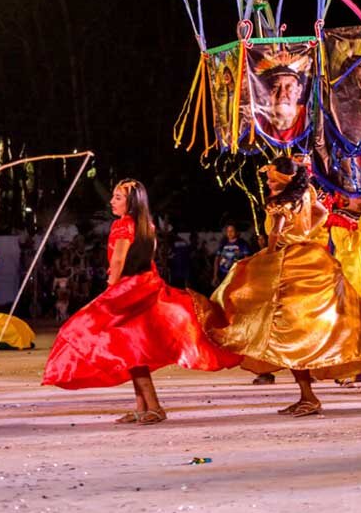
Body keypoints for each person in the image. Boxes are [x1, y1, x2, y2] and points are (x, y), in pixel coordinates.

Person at [198, 157, 361, 416]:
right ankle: (306, 395)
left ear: (285, 180)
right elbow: (323, 213)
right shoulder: (306, 193)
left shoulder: (280, 203)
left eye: (272, 180)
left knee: (246, 300)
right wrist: (303, 233)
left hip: (287, 263)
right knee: (296, 332)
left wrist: (272, 252)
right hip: (309, 258)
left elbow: (275, 234)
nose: (269, 184)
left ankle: (308, 396)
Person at [42, 180, 241, 424]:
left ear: (131, 202)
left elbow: (117, 261)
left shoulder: (123, 225)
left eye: (117, 197)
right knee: (133, 349)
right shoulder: (147, 224)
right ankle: (145, 407)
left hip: (128, 290)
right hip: (146, 285)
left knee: (82, 329)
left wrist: (111, 288)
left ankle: (154, 408)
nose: (112, 201)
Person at [212, 223, 252, 288]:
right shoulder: (223, 243)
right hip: (223, 274)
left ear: (236, 232)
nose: (230, 233)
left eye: (232, 231)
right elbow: (217, 259)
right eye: (228, 231)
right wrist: (215, 275)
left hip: (236, 275)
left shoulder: (242, 243)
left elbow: (247, 260)